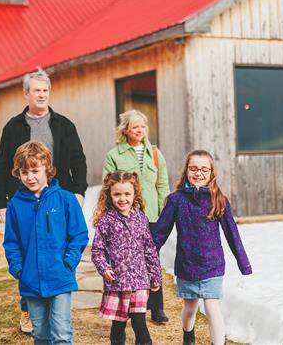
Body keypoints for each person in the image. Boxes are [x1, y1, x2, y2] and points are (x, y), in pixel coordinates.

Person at [0, 67, 88, 333]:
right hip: (23, 198)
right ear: (26, 93)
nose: (42, 95)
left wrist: (79, 190)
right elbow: (3, 165)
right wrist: (2, 200)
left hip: (59, 195)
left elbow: (78, 159)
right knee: (28, 247)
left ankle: (56, 306)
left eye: (46, 90)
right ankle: (29, 309)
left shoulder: (63, 125)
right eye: (36, 90)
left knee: (54, 244)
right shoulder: (13, 127)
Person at [152, 150, 252, 345]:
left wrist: (244, 263)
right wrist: (145, 256)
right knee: (190, 308)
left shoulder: (219, 200)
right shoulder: (176, 200)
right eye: (194, 168)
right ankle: (188, 337)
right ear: (186, 171)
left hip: (212, 264)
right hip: (186, 265)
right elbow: (160, 232)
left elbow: (232, 234)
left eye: (204, 169)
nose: (199, 173)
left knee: (212, 308)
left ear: (211, 172)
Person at [3, 142, 89, 344]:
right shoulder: (15, 205)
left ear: (47, 169)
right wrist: (19, 269)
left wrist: (68, 262)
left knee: (61, 332)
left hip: (60, 276)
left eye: (35, 170)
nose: (30, 177)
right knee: (40, 333)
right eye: (24, 172)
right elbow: (11, 242)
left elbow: (79, 235)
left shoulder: (66, 199)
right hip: (30, 280)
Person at [102, 109, 170, 323]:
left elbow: (162, 185)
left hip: (151, 217)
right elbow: (107, 186)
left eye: (142, 126)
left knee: (151, 259)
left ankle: (157, 307)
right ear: (126, 130)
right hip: (125, 217)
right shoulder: (114, 155)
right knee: (127, 261)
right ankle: (129, 306)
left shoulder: (155, 154)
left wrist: (163, 215)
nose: (140, 130)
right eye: (135, 126)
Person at [91, 171, 162, 345]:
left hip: (139, 280)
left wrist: (155, 276)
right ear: (109, 195)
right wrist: (104, 268)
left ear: (134, 194)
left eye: (127, 194)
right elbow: (97, 250)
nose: (122, 198)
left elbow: (149, 249)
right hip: (117, 282)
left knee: (139, 322)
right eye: (117, 194)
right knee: (119, 323)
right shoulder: (106, 221)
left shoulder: (140, 218)